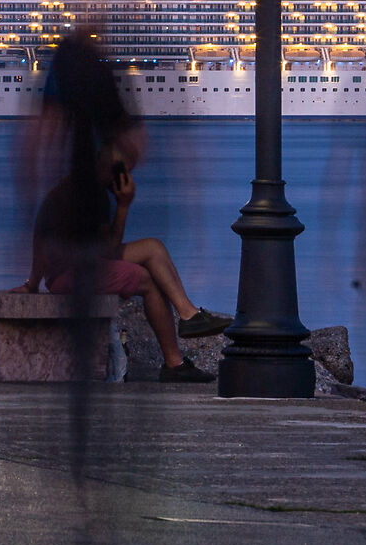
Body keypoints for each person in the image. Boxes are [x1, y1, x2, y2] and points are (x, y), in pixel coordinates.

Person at [20, 26, 228, 380]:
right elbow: (106, 246)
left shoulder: (75, 187)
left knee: (153, 248)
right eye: (118, 166)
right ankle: (175, 361)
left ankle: (189, 316)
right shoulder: (88, 196)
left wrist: (32, 280)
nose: (123, 170)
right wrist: (126, 206)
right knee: (145, 277)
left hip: (66, 268)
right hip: (71, 273)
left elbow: (44, 232)